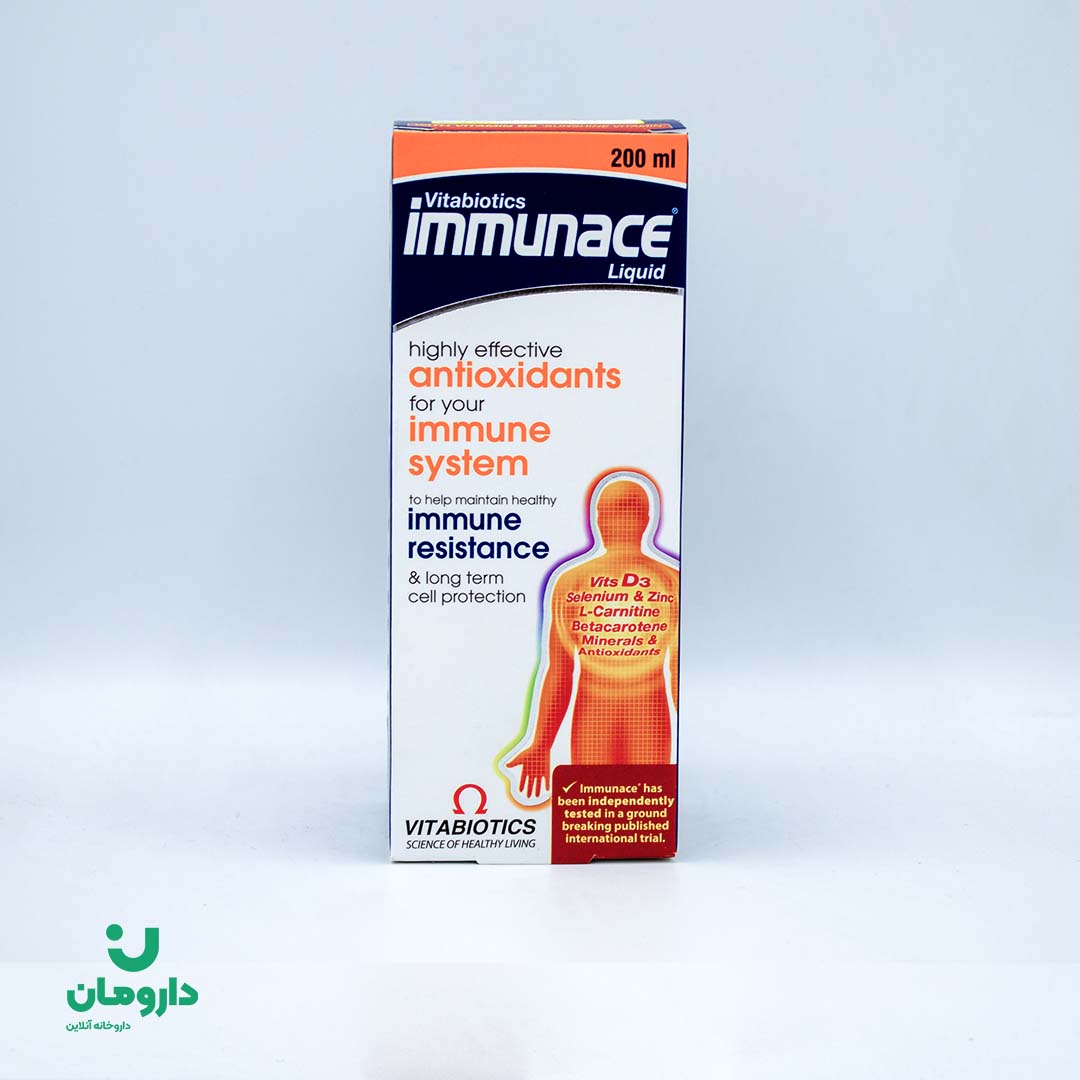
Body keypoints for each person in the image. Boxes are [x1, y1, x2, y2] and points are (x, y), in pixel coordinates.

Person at [500, 470, 679, 805]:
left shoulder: (575, 580)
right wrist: (540, 744)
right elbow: (559, 670)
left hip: (625, 716)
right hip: (617, 717)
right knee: (616, 804)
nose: (621, 521)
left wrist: (542, 744)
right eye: (615, 512)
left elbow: (560, 670)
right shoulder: (668, 580)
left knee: (632, 804)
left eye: (626, 512)